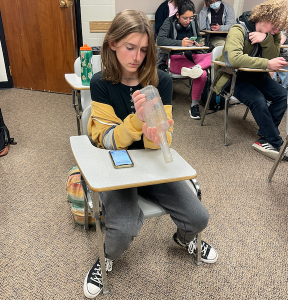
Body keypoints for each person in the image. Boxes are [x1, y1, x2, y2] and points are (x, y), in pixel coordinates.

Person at [84, 9, 218, 299]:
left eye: (144, 50)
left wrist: (156, 136)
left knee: (197, 218)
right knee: (122, 231)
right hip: (116, 166)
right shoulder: (100, 83)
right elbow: (108, 140)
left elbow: (164, 139)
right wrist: (137, 122)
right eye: (130, 48)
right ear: (113, 44)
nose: (137, 57)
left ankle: (184, 241)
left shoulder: (160, 81)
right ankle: (106, 256)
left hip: (151, 163)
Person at [213, 0, 288, 160]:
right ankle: (277, 143)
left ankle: (265, 134)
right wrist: (267, 63)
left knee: (282, 95)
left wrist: (266, 39)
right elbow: (233, 59)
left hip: (256, 75)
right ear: (264, 17)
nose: (276, 31)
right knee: (258, 100)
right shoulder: (238, 29)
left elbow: (273, 56)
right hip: (233, 76)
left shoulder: (273, 34)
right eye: (274, 26)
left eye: (279, 29)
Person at [157, 0, 212, 120]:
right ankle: (194, 105)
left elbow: (198, 36)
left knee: (216, 54)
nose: (188, 21)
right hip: (175, 58)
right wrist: (180, 43)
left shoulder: (193, 22)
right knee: (202, 75)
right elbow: (160, 40)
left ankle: (197, 68)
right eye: (185, 18)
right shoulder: (169, 22)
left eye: (191, 18)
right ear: (177, 15)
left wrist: (198, 42)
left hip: (191, 56)